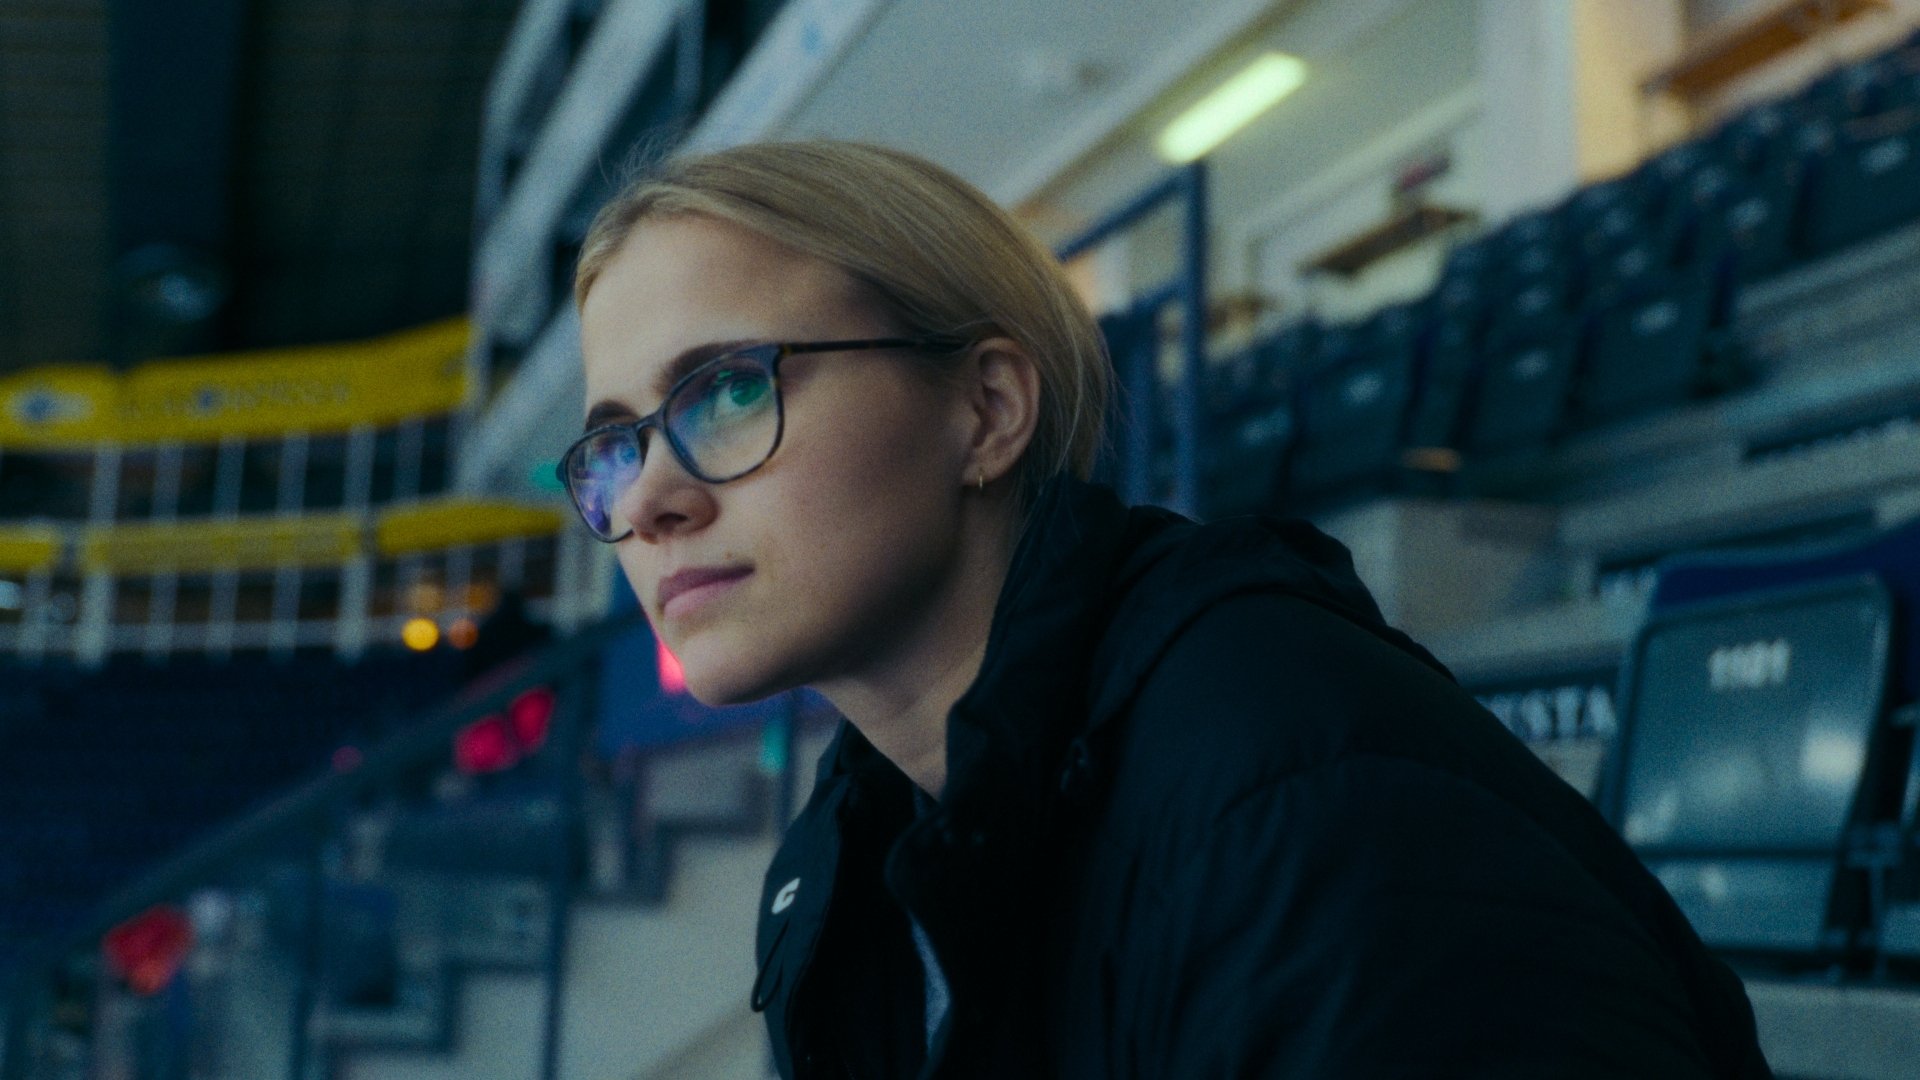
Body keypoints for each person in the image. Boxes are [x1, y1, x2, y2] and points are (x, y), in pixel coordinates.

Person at [560, 140, 1773, 1079]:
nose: (649, 497)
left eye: (726, 391)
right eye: (613, 446)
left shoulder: (1293, 788)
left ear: (986, 412)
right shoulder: (839, 859)